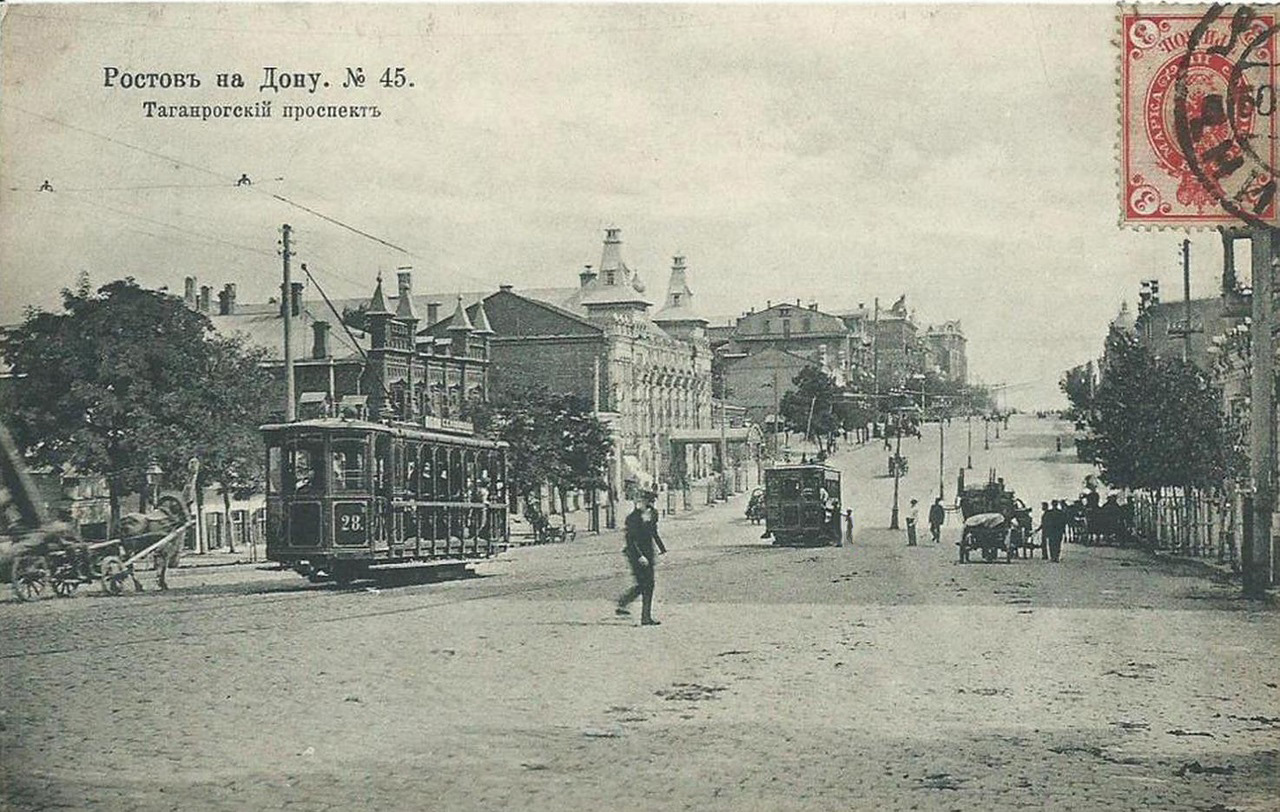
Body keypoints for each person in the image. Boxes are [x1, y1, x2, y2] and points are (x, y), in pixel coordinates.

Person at [617, 489, 664, 625]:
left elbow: (653, 532)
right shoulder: (633, 518)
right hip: (635, 555)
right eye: (645, 502)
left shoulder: (653, 514)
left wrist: (662, 548)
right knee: (645, 584)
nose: (648, 505)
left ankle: (642, 615)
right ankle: (643, 616)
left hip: (648, 554)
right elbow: (630, 540)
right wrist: (640, 556)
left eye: (651, 503)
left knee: (647, 585)